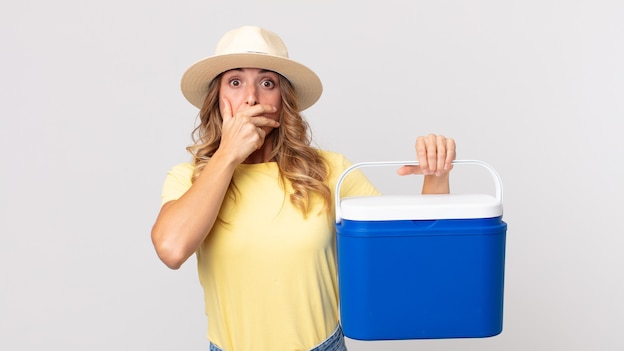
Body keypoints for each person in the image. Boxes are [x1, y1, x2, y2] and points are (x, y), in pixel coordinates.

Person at [151, 25, 456, 351]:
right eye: (236, 82)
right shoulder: (189, 178)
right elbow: (171, 249)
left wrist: (435, 175)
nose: (251, 97)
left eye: (267, 83)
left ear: (284, 101)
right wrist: (227, 154)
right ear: (216, 100)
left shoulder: (330, 171)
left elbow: (412, 258)